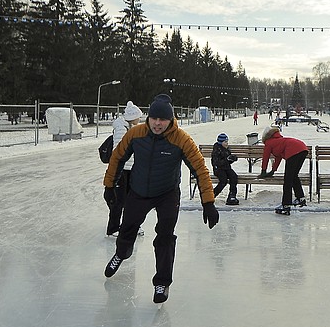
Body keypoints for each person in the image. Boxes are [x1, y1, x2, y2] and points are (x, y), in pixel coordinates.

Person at [102, 94, 220, 304]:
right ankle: (121, 253)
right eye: (154, 118)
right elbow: (118, 157)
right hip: (138, 191)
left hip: (167, 193)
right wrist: (110, 185)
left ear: (170, 120)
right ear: (148, 117)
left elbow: (200, 169)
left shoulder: (181, 139)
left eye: (162, 119)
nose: (157, 123)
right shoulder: (136, 134)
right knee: (127, 228)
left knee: (165, 237)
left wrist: (208, 202)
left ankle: (162, 283)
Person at [104, 101, 144, 236]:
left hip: (131, 169)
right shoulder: (122, 129)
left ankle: (131, 226)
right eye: (138, 117)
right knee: (119, 200)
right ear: (133, 117)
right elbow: (119, 150)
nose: (140, 119)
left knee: (132, 200)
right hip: (122, 170)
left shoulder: (129, 127)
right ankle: (113, 228)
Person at [257, 125, 309, 215]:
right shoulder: (279, 141)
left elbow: (265, 157)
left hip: (294, 151)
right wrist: (273, 171)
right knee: (293, 176)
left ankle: (286, 205)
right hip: (303, 149)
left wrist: (263, 171)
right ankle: (300, 199)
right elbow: (278, 157)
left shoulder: (269, 142)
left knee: (288, 179)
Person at [211, 133, 240, 205]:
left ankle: (232, 196)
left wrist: (232, 159)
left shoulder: (226, 149)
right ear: (220, 142)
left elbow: (228, 161)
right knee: (223, 181)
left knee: (234, 177)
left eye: (227, 141)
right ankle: (211, 195)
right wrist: (227, 159)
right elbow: (216, 162)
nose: (227, 143)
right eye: (225, 142)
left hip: (226, 168)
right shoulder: (216, 149)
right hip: (218, 169)